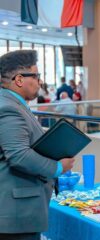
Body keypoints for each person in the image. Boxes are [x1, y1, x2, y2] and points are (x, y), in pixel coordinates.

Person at [0, 50, 75, 239]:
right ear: (19, 79)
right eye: (36, 75)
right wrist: (58, 167)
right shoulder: (9, 108)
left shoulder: (13, 104)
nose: (40, 81)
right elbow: (18, 155)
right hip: (16, 215)